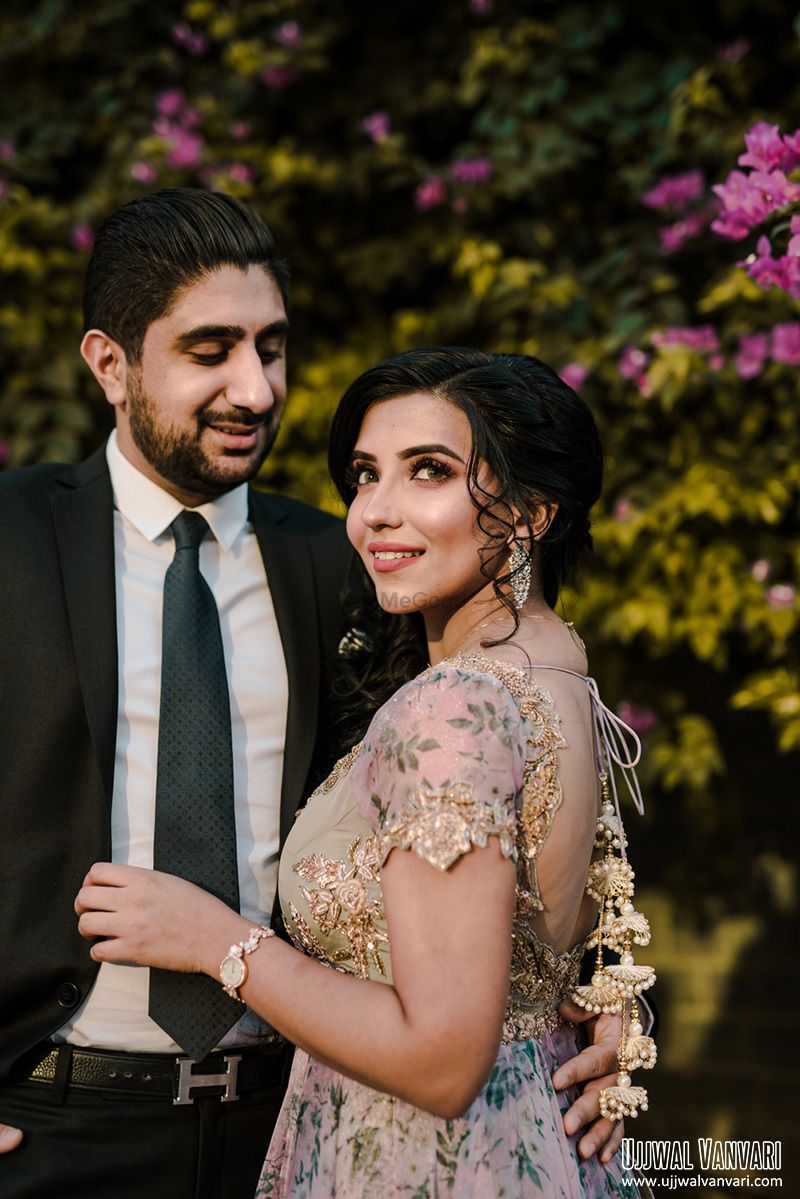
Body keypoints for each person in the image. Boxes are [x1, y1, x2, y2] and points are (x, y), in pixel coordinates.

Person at [0, 195, 620, 1197]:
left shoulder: (350, 563)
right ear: (110, 364)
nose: (255, 388)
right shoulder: (12, 538)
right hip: (51, 1123)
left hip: (295, 1117)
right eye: (211, 350)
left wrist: (593, 991)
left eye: (272, 347)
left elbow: (495, 798)